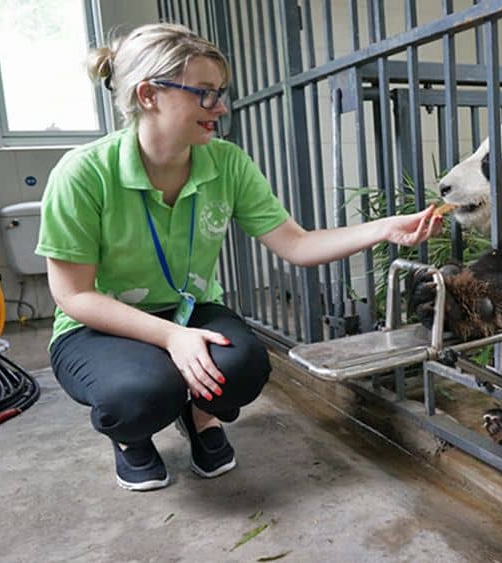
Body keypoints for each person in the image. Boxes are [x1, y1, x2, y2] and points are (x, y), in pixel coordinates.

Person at [36, 23, 443, 491]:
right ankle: (132, 438)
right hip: (99, 324)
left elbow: (297, 244)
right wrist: (172, 338)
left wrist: (385, 228)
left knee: (245, 367)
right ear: (149, 94)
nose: (221, 107)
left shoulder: (226, 163)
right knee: (139, 394)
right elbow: (73, 294)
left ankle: (201, 416)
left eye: (221, 92)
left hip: (189, 306)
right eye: (205, 94)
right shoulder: (83, 173)